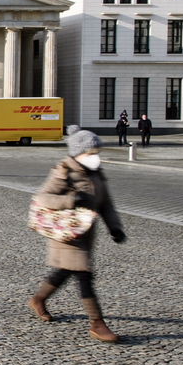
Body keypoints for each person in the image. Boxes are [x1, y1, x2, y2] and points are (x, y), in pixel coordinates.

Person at [27, 125, 128, 342]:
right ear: (78, 153)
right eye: (90, 153)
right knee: (84, 275)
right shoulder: (64, 172)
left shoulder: (96, 174)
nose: (95, 157)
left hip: (85, 233)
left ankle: (38, 299)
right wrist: (71, 199)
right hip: (67, 233)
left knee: (65, 270)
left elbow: (106, 204)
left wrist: (115, 227)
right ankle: (97, 324)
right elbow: (42, 198)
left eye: (96, 152)